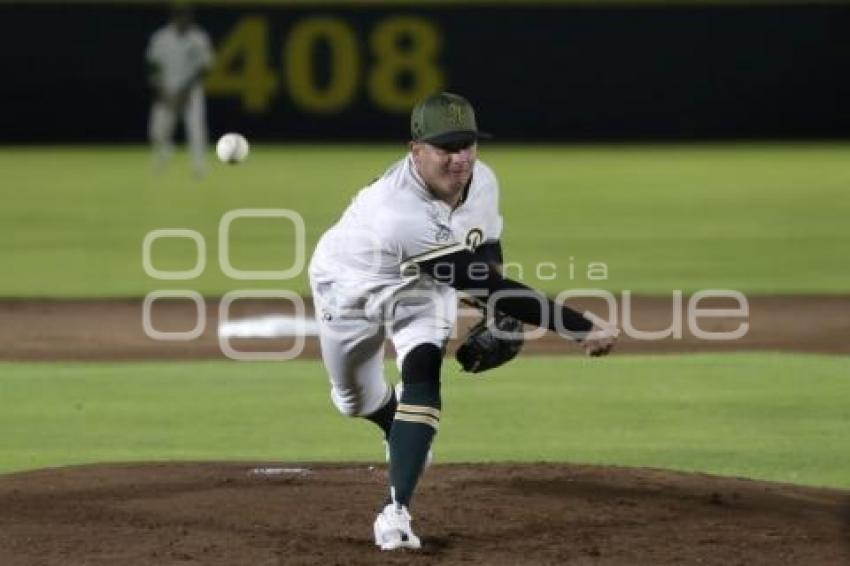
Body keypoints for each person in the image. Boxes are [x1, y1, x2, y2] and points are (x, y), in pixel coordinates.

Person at [308, 92, 618, 551]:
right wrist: (577, 326)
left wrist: (499, 313)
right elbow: (478, 281)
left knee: (423, 373)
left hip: (421, 292)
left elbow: (484, 250)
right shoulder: (396, 209)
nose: (460, 159)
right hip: (349, 290)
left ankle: (395, 512)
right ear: (416, 150)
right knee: (354, 400)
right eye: (446, 148)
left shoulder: (484, 180)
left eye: (467, 145)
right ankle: (399, 424)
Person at [146, 3, 214, 177]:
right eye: (180, 16)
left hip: (191, 91)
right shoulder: (161, 38)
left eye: (186, 17)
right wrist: (160, 90)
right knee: (157, 131)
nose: (184, 20)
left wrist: (186, 91)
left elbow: (204, 67)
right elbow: (153, 66)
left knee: (196, 130)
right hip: (166, 89)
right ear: (173, 18)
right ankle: (162, 157)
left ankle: (199, 167)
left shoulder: (199, 38)